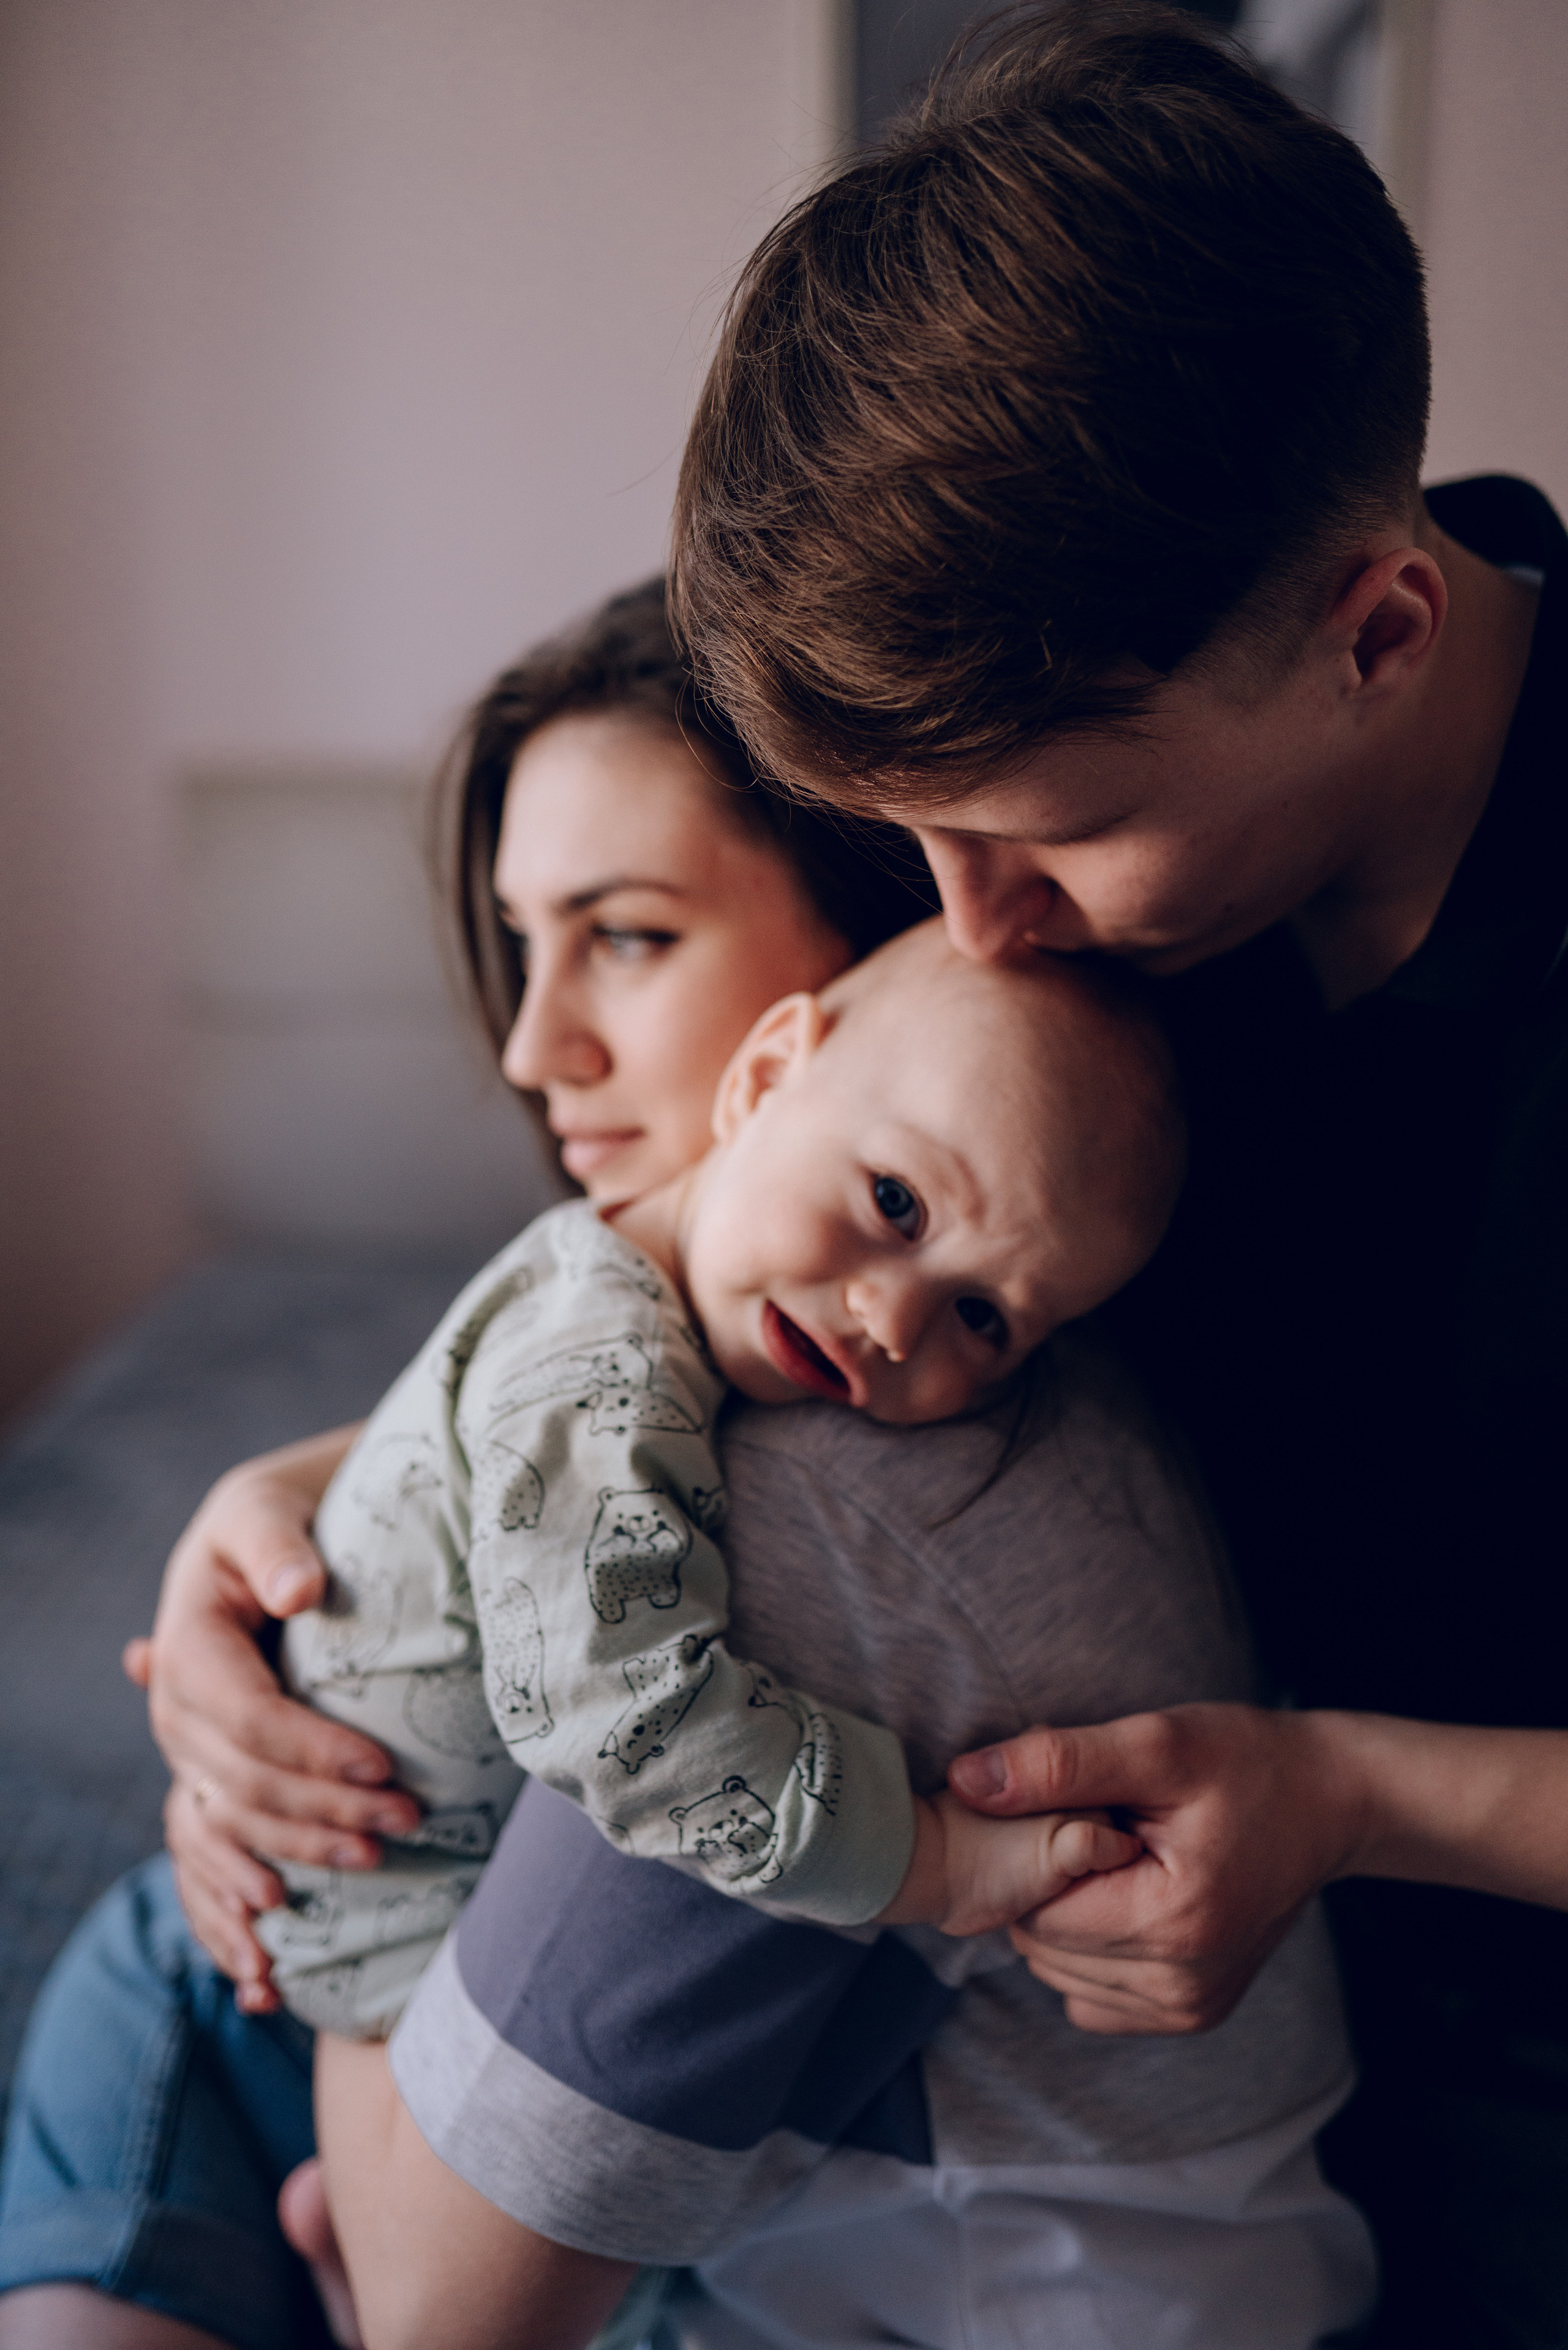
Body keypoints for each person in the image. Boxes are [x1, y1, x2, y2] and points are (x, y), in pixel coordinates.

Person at [0, 582, 1374, 2350]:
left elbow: (441, 2305)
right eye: (523, 938)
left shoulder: (828, 1500)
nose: (529, 1045)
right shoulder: (780, 1333)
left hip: (804, 2270)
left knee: (162, 1967)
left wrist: (345, 1808)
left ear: (872, 932)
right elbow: (546, 1384)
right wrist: (293, 1491)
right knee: (156, 1959)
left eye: (628, 934)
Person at [666, 6, 1568, 2341]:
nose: (973, 930)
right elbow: (753, 1206)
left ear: (1381, 632)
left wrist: (1349, 1793)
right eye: (915, 841)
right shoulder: (1076, 798)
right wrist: (327, 1474)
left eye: (1051, 835)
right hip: (1089, 2088)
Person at [257, 920, 1174, 2036]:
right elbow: (617, 1709)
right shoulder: (603, 1369)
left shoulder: (605, 1272)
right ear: (767, 1074)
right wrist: (933, 1860)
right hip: (365, 1937)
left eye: (981, 1316)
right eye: (897, 1201)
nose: (891, 1320)